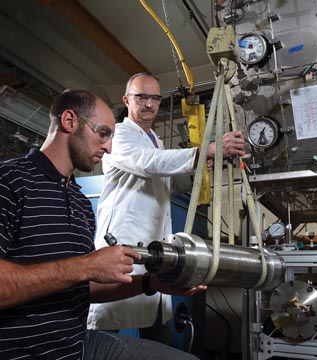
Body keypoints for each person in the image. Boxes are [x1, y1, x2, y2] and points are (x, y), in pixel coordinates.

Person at [0, 88, 206, 360]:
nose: (109, 147)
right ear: (70, 121)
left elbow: (80, 288)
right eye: (103, 133)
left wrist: (150, 283)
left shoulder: (79, 202)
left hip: (80, 345)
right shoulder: (10, 181)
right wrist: (87, 265)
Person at [87, 73, 245, 343]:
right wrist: (202, 151)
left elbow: (165, 184)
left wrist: (196, 171)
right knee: (106, 325)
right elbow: (145, 162)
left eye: (155, 98)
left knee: (154, 319)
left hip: (154, 243)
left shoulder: (155, 141)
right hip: (123, 239)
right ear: (127, 100)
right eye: (141, 97)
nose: (149, 104)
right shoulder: (119, 133)